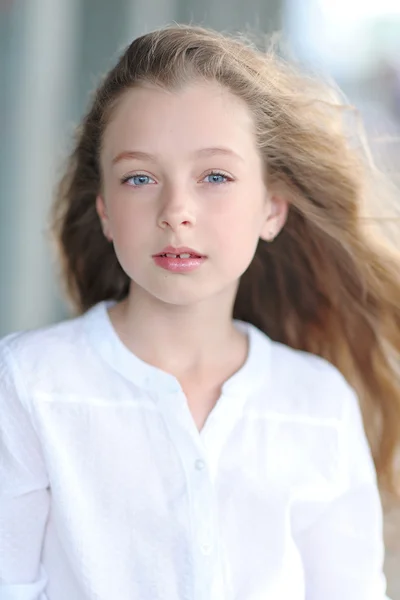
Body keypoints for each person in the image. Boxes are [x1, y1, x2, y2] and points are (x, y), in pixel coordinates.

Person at [1, 24, 400, 600]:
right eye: (140, 178)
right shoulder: (29, 386)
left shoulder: (318, 405)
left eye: (215, 176)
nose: (176, 210)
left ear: (272, 209)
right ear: (106, 211)